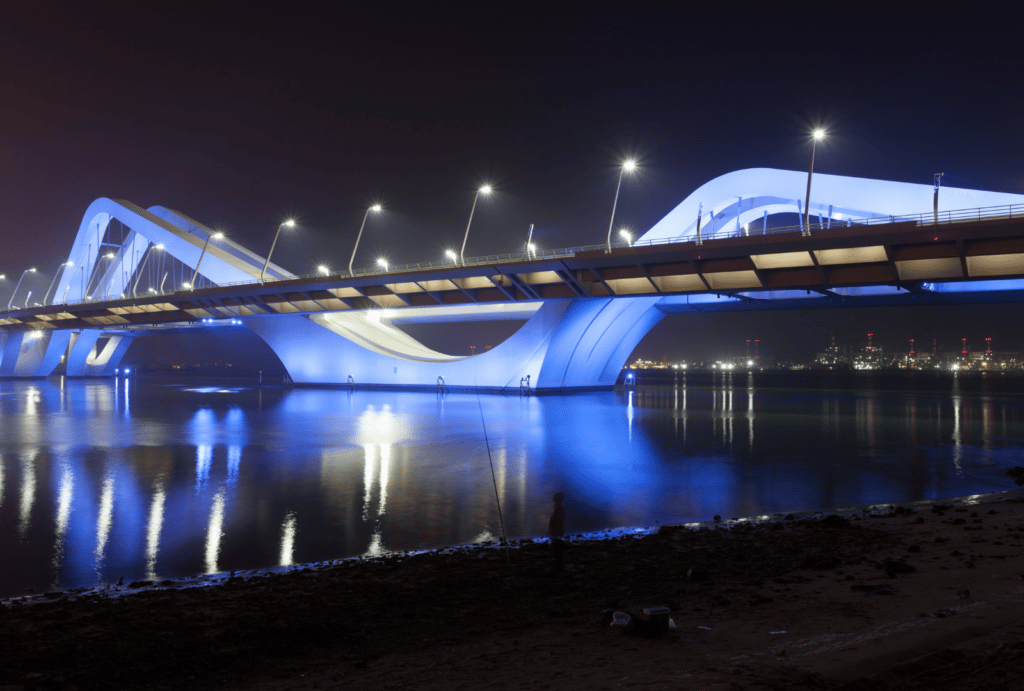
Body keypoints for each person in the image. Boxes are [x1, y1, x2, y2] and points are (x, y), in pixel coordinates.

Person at [548, 492, 565, 575]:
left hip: (556, 533)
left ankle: (558, 568)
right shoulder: (558, 507)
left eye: (555, 497)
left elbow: (557, 521)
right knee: (556, 550)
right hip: (556, 533)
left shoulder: (558, 508)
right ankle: (558, 567)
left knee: (556, 550)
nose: (553, 498)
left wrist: (554, 532)